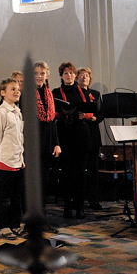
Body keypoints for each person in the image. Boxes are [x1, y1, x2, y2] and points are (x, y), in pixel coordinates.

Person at [52, 62, 94, 219]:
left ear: (75, 75)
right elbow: (53, 112)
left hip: (81, 136)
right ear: (61, 76)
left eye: (71, 73)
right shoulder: (56, 92)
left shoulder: (82, 91)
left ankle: (80, 207)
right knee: (66, 174)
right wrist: (62, 114)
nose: (69, 75)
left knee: (80, 173)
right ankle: (67, 207)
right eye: (65, 73)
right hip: (65, 135)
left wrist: (86, 115)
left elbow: (92, 110)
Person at [0, 77, 25, 240]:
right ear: (3, 93)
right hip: (5, 162)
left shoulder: (17, 112)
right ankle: (2, 226)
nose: (17, 91)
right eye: (12, 89)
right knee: (4, 198)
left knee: (16, 196)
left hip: (18, 161)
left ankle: (15, 225)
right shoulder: (0, 113)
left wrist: (21, 158)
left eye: (18, 89)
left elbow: (19, 137)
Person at [33, 61, 62, 218]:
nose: (39, 76)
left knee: (44, 178)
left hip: (47, 142)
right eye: (36, 73)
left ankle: (42, 209)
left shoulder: (49, 94)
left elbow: (52, 122)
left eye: (42, 73)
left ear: (47, 75)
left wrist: (56, 143)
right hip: (33, 143)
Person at [77, 67, 104, 211]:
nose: (84, 77)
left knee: (93, 169)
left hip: (93, 134)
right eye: (81, 75)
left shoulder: (95, 94)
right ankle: (79, 201)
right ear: (77, 78)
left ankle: (94, 200)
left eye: (86, 75)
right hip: (80, 135)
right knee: (80, 169)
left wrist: (93, 117)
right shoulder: (74, 93)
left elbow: (101, 114)